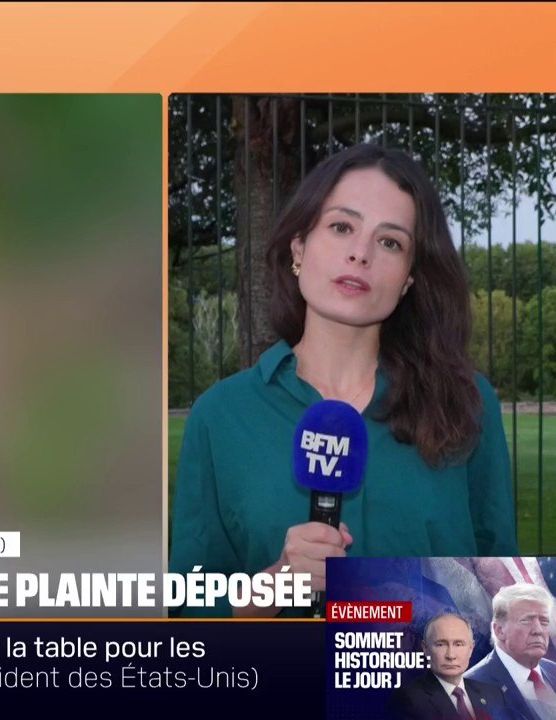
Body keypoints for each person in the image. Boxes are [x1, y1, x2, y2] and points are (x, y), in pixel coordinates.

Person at [169, 144, 518, 618]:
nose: (360, 253)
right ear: (299, 247)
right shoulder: (221, 417)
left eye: (390, 241)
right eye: (341, 227)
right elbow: (188, 617)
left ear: (409, 278)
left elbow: (502, 589)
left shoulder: (467, 402)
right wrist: (276, 586)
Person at [388, 613, 513, 720]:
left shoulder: (493, 694)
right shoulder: (408, 700)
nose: (451, 655)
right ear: (425, 649)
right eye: (441, 644)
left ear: (471, 648)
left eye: (459, 644)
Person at [466, 584, 556, 720]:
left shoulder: (553, 670)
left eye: (544, 621)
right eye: (526, 621)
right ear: (499, 630)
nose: (538, 630)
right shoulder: (469, 689)